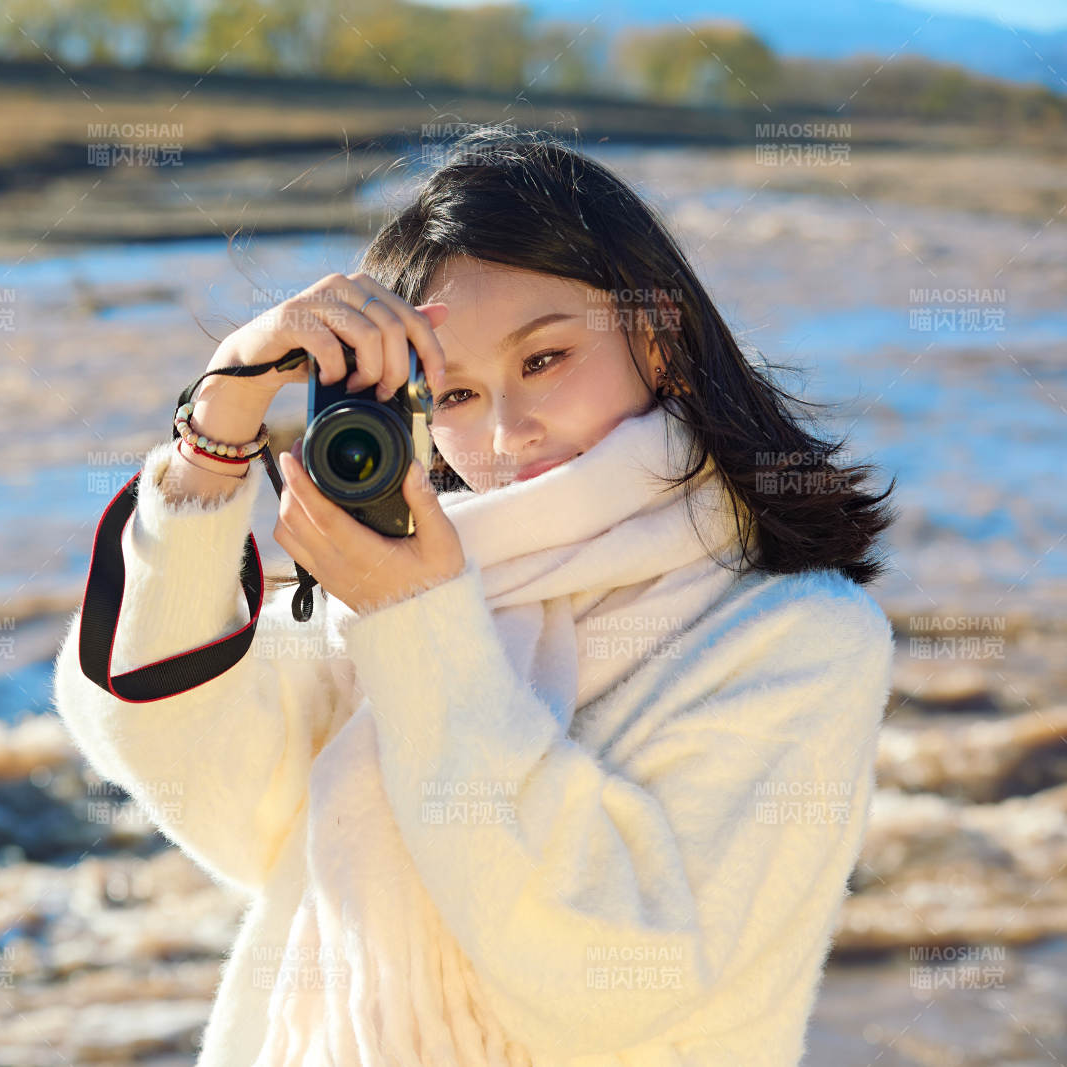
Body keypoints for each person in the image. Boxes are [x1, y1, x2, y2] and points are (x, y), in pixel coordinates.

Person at [51, 125, 898, 1067]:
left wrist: (422, 628)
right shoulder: (403, 585)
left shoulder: (799, 636)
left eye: (544, 361)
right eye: (450, 396)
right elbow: (194, 772)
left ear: (657, 341)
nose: (507, 433)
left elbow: (621, 980)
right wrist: (216, 438)